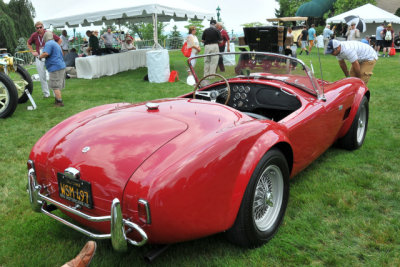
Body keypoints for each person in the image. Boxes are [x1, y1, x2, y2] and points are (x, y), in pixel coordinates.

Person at [27, 21, 62, 98]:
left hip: (48, 56)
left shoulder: (48, 33)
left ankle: (55, 93)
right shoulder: (34, 35)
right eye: (37, 28)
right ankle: (46, 94)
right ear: (36, 28)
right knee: (41, 75)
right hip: (39, 56)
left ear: (43, 27)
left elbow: (59, 40)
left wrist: (54, 48)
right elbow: (28, 43)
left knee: (52, 75)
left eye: (41, 27)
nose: (39, 29)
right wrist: (32, 52)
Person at [39, 31, 66, 107]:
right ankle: (57, 100)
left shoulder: (49, 43)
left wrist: (40, 56)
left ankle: (59, 102)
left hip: (55, 67)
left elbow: (46, 53)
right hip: (61, 66)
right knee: (57, 85)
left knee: (55, 85)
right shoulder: (55, 43)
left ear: (45, 37)